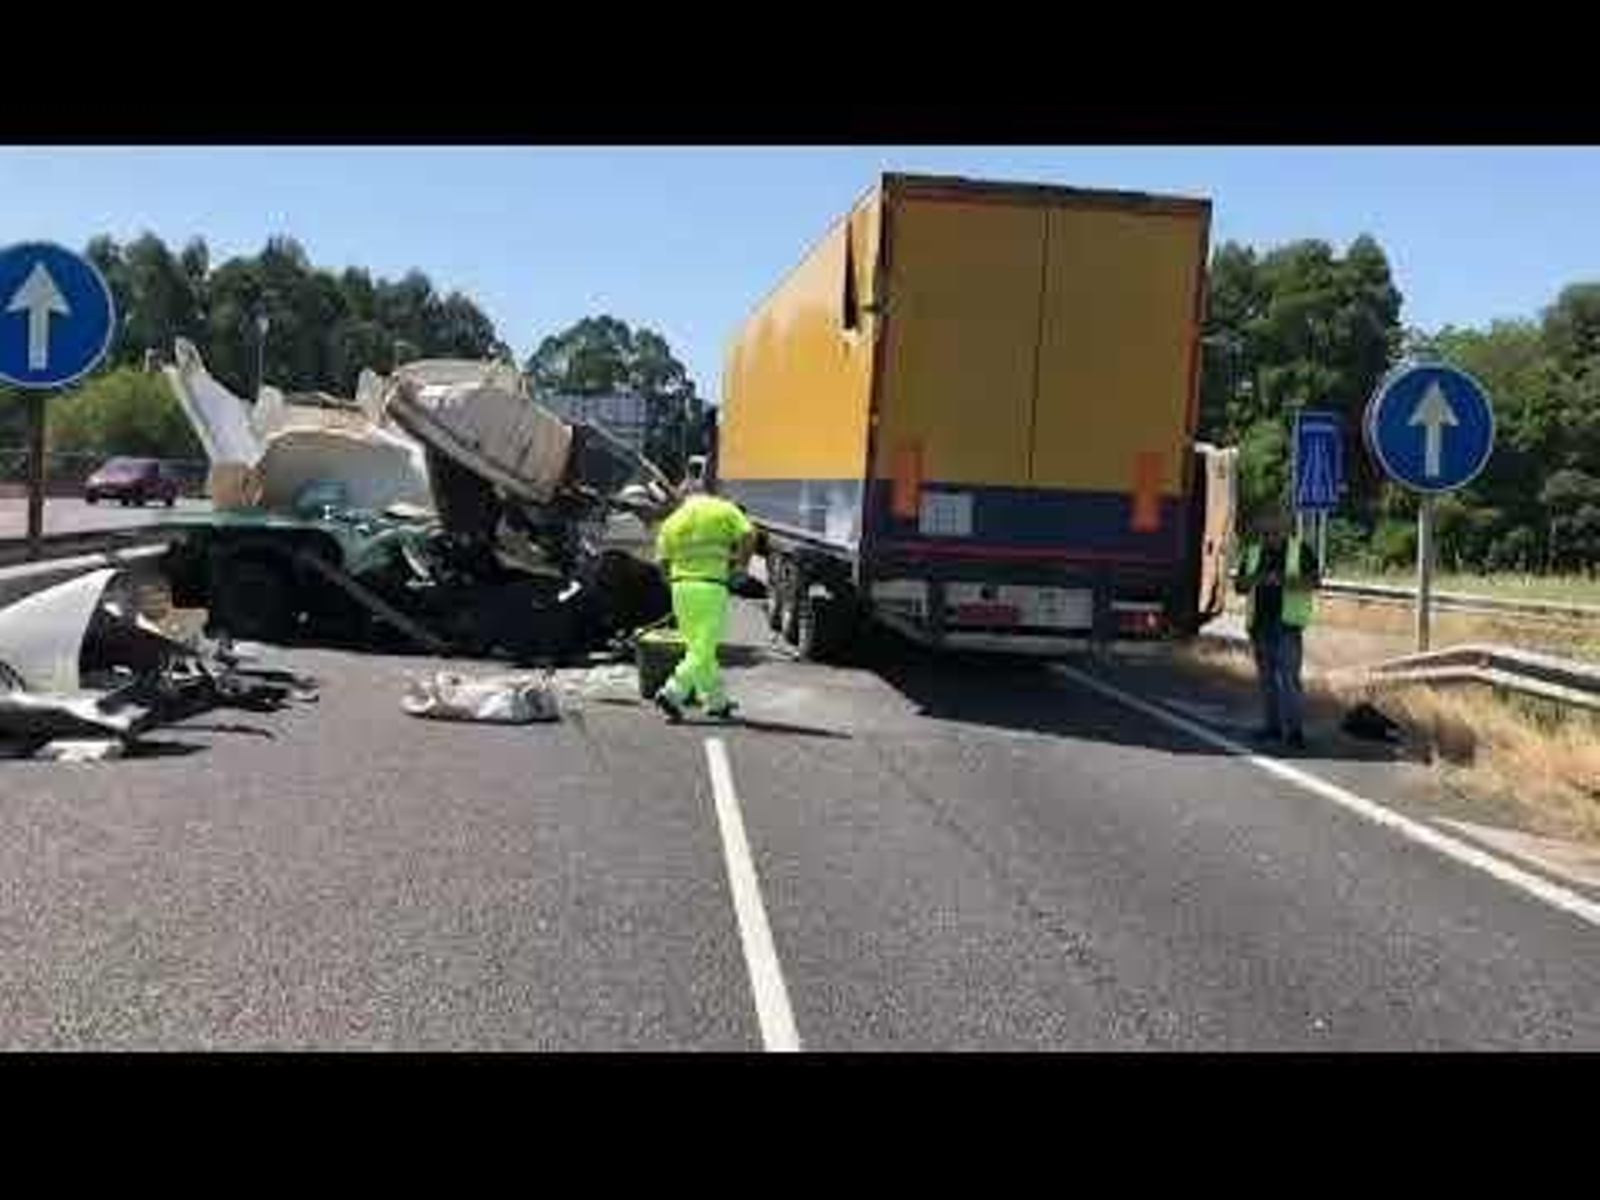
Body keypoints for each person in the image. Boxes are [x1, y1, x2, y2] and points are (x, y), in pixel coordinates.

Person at [652, 480, 756, 723]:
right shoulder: (723, 508)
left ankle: (716, 702)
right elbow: (749, 534)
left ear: (685, 496)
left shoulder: (673, 520)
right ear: (708, 493)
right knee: (704, 648)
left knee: (698, 649)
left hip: (680, 589)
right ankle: (672, 691)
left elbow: (661, 562)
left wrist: (673, 584)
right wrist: (741, 566)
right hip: (711, 586)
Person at [1233, 506, 1320, 750]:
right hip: (1259, 626)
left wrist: (1282, 581)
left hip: (1288, 626)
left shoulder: (1299, 550)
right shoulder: (1252, 553)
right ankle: (1272, 728)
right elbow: (1239, 586)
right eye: (1265, 533)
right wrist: (1256, 580)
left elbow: (1314, 582)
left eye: (1273, 532)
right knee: (1267, 681)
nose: (1269, 537)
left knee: (1290, 680)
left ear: (1284, 530)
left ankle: (1294, 733)